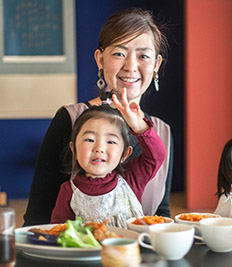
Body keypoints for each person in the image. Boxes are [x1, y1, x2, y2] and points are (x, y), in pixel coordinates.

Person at [23, 8, 173, 226]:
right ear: (100, 59)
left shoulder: (161, 132)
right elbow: (37, 218)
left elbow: (162, 214)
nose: (131, 66)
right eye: (119, 53)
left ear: (156, 65)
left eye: (143, 56)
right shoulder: (71, 119)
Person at [50, 89, 166, 227]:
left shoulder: (131, 178)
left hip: (131, 248)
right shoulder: (69, 191)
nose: (99, 148)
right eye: (89, 139)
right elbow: (59, 231)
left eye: (110, 141)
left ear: (124, 154)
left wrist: (140, 127)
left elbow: (157, 156)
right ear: (74, 149)